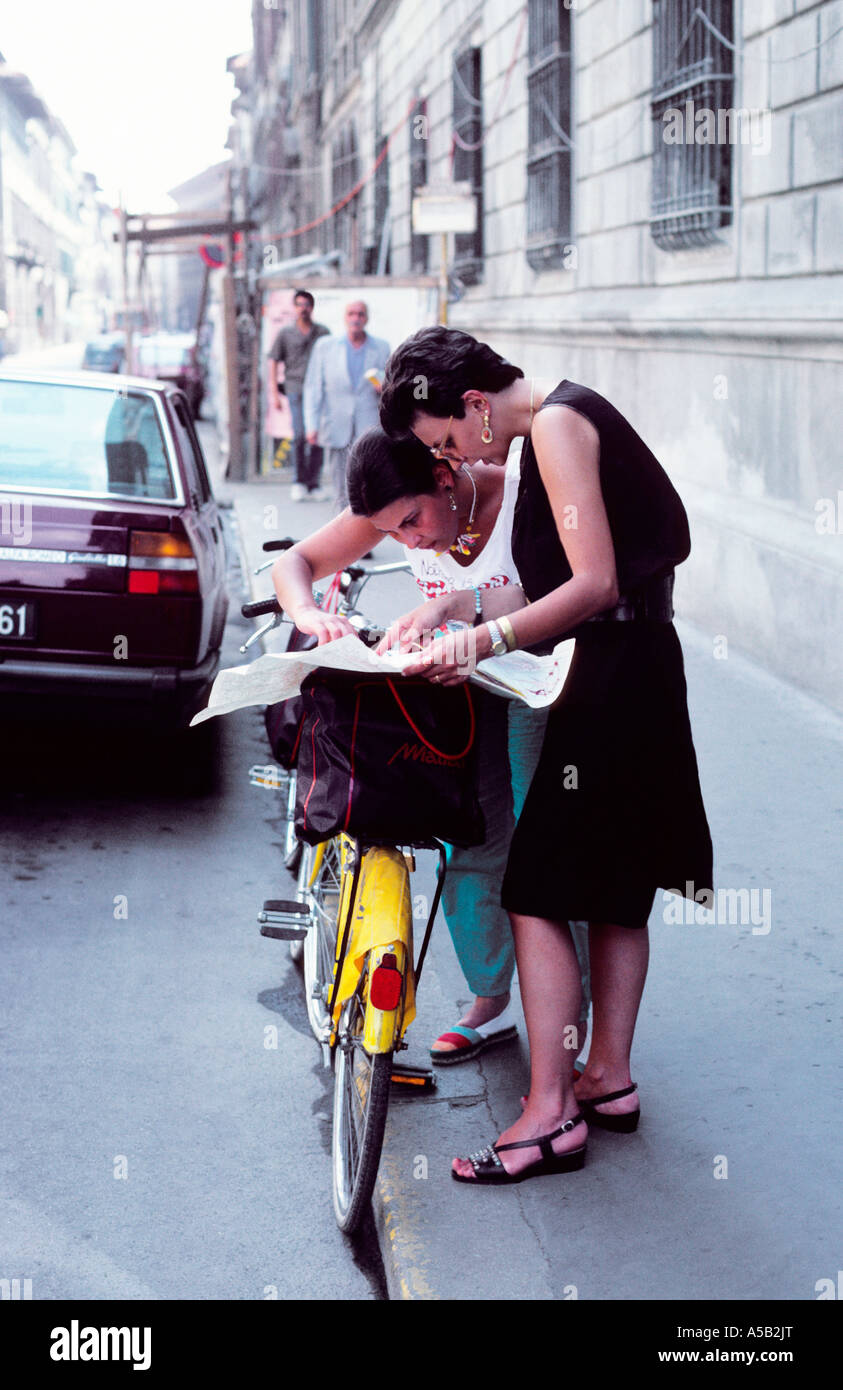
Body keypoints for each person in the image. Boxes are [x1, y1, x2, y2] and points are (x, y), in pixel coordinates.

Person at [378, 326, 713, 1184]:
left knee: (537, 890)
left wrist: (476, 643)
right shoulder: (555, 426)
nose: (453, 459)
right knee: (614, 888)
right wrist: (453, 602)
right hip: (630, 665)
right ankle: (606, 1077)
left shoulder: (559, 426)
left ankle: (548, 1113)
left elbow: (593, 582)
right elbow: (553, 577)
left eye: (448, 440)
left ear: (476, 405)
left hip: (608, 674)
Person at [271, 426, 591, 1064]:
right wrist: (310, 616)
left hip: (534, 679)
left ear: (444, 476)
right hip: (458, 685)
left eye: (412, 522)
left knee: (542, 842)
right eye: (393, 534)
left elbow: (563, 589)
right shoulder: (393, 504)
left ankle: (569, 1027)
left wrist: (455, 608)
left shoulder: (522, 493)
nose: (409, 541)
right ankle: (488, 1001)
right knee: (467, 835)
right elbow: (294, 564)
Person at [303, 302, 390, 512]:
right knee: (339, 482)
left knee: (366, 478)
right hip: (336, 422)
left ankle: (364, 525)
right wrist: (311, 425)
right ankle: (343, 527)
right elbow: (313, 387)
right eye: (351, 313)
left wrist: (384, 387)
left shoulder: (381, 347)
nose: (356, 318)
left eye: (360, 314)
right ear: (345, 318)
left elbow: (391, 384)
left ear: (366, 319)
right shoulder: (325, 346)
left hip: (367, 424)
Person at [267, 289, 329, 500]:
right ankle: (299, 481)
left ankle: (314, 483)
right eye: (299, 304)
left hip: (319, 391)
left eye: (307, 304)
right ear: (295, 307)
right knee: (300, 434)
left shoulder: (322, 332)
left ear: (312, 307)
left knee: (317, 436)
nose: (303, 309)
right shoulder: (286, 333)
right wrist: (274, 392)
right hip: (295, 388)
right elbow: (274, 361)